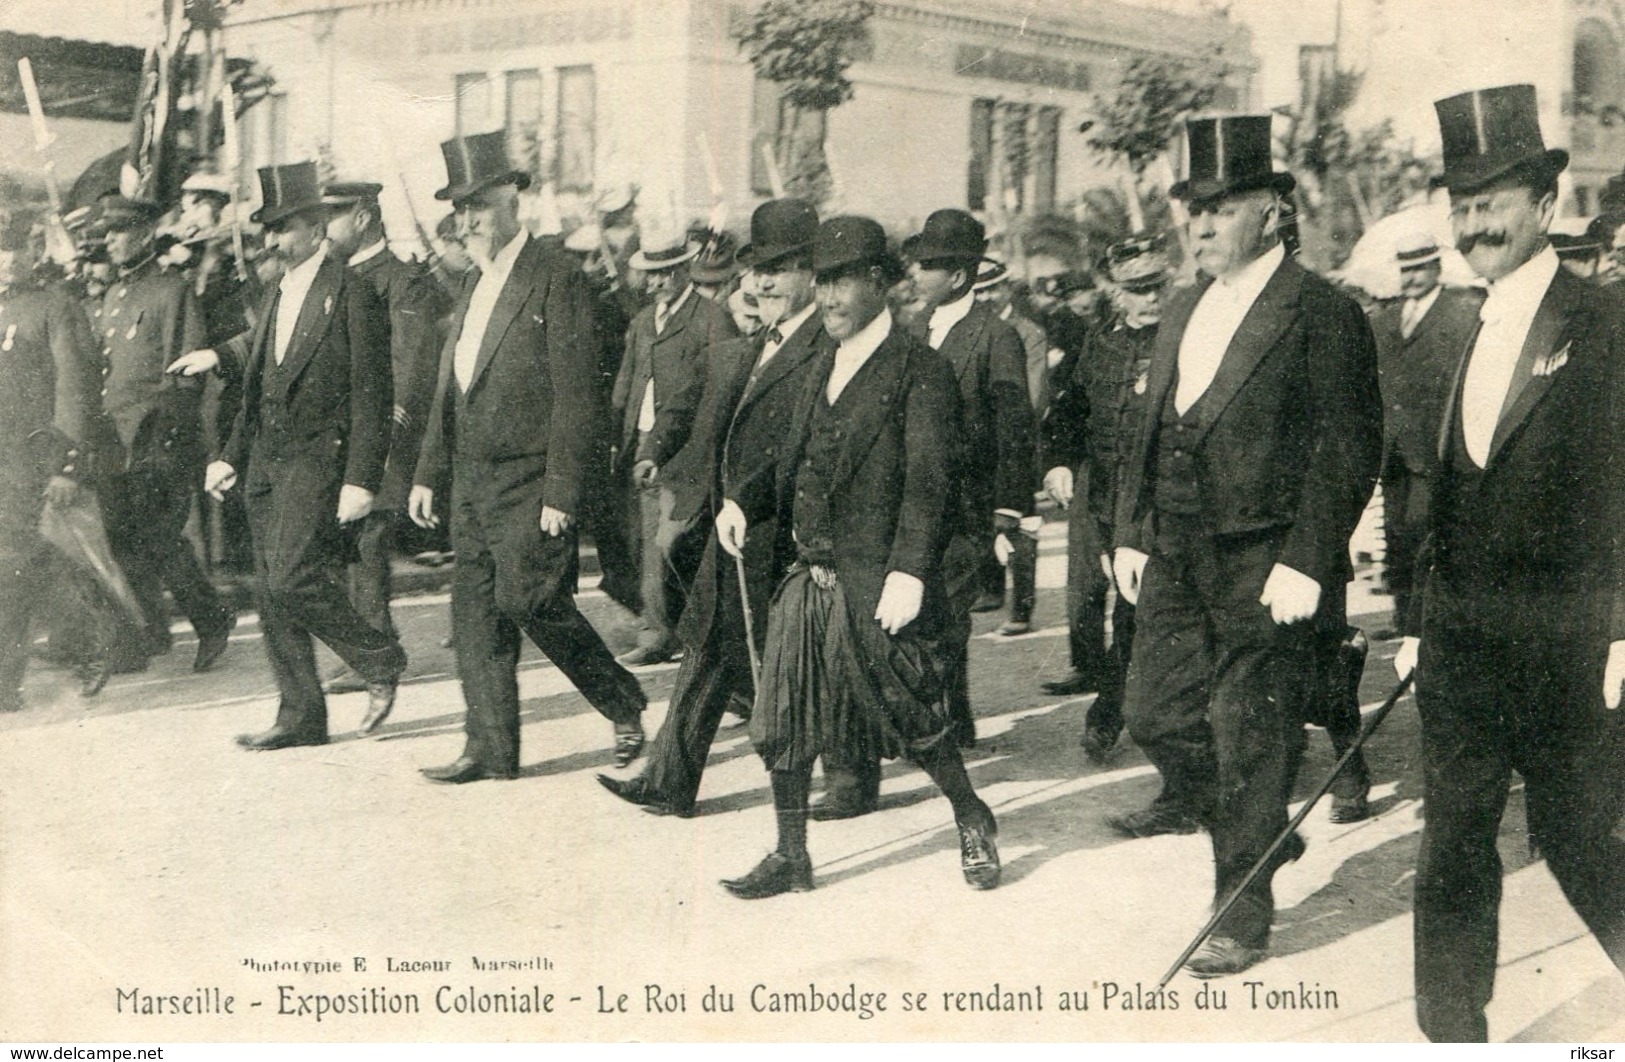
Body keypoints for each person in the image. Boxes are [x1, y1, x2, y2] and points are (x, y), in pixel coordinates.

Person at [1112, 115, 1381, 976]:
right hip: (1177, 550)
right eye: (1190, 209)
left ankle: (1242, 910)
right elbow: (1147, 425)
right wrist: (1127, 530)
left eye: (1218, 208)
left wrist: (1308, 555)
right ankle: (1258, 833)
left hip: (1266, 560)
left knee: (1249, 734)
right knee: (1149, 713)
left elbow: (1349, 443)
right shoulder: (1184, 305)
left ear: (1270, 210)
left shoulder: (1319, 311)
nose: (1197, 225)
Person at [1391, 84, 1625, 1043]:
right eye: (1461, 203)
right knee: (1450, 846)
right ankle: (1451, 1032)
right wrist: (1413, 622)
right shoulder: (1446, 329)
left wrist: (1623, 627)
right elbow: (1424, 491)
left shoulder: (1603, 325)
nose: (1475, 221)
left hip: (1569, 643)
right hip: (1461, 642)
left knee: (1580, 841)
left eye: (1493, 199)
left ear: (1542, 205)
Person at [714, 215, 1000, 897]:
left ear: (879, 283)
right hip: (806, 576)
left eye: (842, 281)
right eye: (822, 281)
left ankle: (971, 815)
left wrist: (907, 572)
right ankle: (791, 855)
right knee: (781, 713)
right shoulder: (818, 366)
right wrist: (742, 502)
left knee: (907, 710)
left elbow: (931, 481)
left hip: (873, 579)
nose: (829, 297)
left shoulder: (919, 371)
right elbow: (789, 456)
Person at [408, 132, 646, 783]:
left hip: (531, 481)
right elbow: (450, 389)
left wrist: (562, 493)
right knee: (476, 617)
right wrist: (430, 470)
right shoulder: (474, 287)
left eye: (479, 204)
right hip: (473, 486)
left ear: (513, 198)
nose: (468, 220)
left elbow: (577, 399)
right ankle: (488, 749)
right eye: (460, 210)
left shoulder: (555, 279)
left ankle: (623, 702)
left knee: (531, 602)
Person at [598, 198, 829, 816]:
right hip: (736, 531)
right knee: (707, 643)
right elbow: (683, 401)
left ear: (815, 273)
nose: (765, 280)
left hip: (797, 535)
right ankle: (669, 780)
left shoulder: (829, 345)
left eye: (783, 267)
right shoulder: (748, 345)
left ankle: (854, 778)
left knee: (809, 662)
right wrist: (655, 447)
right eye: (759, 268)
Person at [204, 163, 408, 749]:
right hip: (267, 459)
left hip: (319, 457)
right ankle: (300, 715)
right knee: (270, 588)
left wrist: (362, 479)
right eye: (268, 229)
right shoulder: (277, 292)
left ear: (318, 226)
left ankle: (378, 656)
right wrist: (229, 455)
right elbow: (258, 385)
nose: (271, 241)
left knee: (293, 575)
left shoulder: (352, 291)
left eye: (283, 228)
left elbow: (374, 391)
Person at [905, 209, 1035, 753]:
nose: (916, 272)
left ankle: (942, 727)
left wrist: (1008, 506)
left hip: (968, 501)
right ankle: (952, 720)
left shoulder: (995, 336)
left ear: (958, 276)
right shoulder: (911, 329)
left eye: (928, 265)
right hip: (912, 500)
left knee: (947, 617)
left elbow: (1013, 423)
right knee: (922, 613)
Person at [318, 179, 453, 695]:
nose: (326, 228)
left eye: (335, 215)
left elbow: (412, 364)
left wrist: (383, 434)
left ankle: (374, 655)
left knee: (368, 544)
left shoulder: (403, 280)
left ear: (364, 217)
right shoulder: (333, 278)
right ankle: (373, 646)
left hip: (379, 437)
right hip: (335, 437)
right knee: (346, 546)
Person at [92, 196, 235, 674]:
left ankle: (212, 619)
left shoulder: (172, 290)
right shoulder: (115, 295)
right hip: (115, 437)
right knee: (120, 538)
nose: (108, 240)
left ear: (146, 234)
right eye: (107, 232)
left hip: (157, 437)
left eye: (118, 231)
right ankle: (149, 630)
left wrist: (168, 437)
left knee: (159, 536)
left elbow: (186, 370)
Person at [1041, 234, 1169, 762]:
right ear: (1115, 293)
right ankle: (1112, 708)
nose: (1151, 299)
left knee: (1142, 615)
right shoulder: (1099, 343)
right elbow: (1068, 416)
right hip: (1107, 500)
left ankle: (1113, 714)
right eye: (1138, 289)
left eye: (1157, 286)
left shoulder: (1183, 340)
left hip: (1163, 501)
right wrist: (1059, 462)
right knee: (1113, 609)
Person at [610, 226, 739, 666]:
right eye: (650, 275)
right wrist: (619, 438)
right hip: (643, 447)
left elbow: (722, 391)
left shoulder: (712, 319)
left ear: (685, 269)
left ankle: (688, 635)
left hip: (686, 453)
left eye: (665, 274)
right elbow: (628, 383)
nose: (656, 283)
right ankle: (660, 632)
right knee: (646, 546)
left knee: (671, 544)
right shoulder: (644, 321)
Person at [0, 207, 101, 712]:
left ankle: (4, 682)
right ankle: (95, 638)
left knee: (12, 565)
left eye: (11, 247)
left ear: (33, 250)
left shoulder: (52, 306)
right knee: (29, 565)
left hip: (28, 459)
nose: (4, 259)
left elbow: (74, 388)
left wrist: (67, 463)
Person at [1368, 234, 1483, 634]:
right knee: (1395, 535)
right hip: (1393, 450)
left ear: (1436, 267)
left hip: (1434, 447)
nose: (1411, 278)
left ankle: (1425, 625)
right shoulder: (1384, 320)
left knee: (1424, 533)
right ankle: (1403, 619)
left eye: (1418, 268)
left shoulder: (1463, 313)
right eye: (1405, 269)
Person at [974, 256, 1048, 637]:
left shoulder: (1027, 332)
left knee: (1021, 524)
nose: (986, 296)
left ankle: (1021, 608)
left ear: (1006, 289)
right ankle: (989, 590)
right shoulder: (971, 330)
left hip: (1017, 443)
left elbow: (1032, 397)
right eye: (979, 290)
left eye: (992, 288)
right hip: (980, 446)